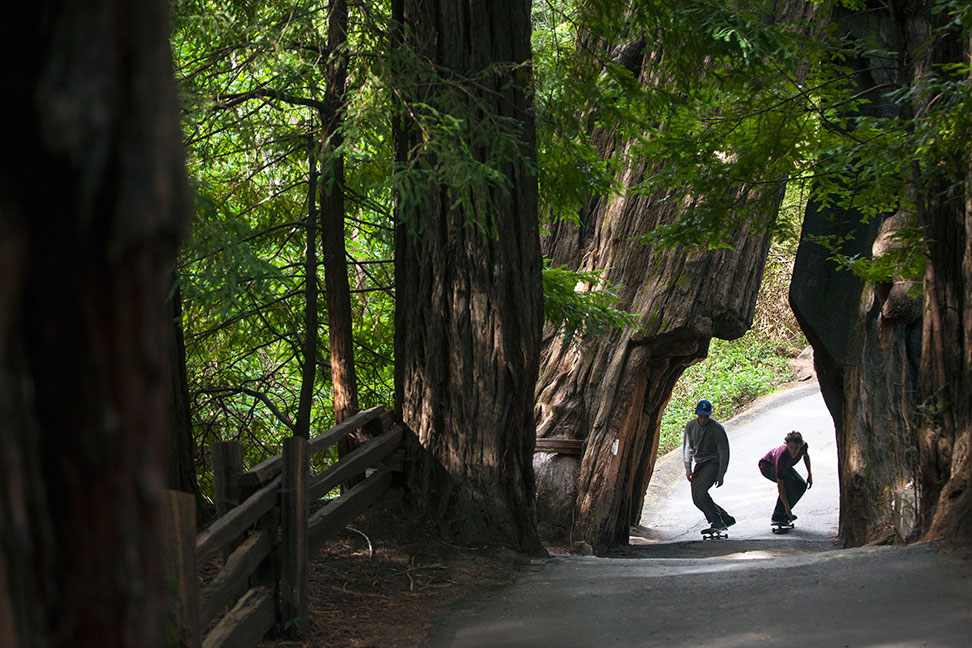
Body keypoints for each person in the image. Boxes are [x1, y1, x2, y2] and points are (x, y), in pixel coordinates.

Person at [683, 399, 735, 532]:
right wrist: (688, 468)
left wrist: (721, 473)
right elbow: (687, 448)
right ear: (697, 414)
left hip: (713, 462)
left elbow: (724, 452)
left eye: (706, 416)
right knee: (696, 498)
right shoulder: (691, 426)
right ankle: (725, 518)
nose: (703, 419)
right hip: (699, 463)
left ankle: (716, 521)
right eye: (701, 416)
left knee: (701, 492)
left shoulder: (716, 428)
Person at [759, 430, 813, 524]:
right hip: (768, 466)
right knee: (789, 482)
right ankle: (778, 514)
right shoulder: (782, 456)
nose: (793, 451)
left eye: (796, 448)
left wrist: (809, 474)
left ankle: (783, 513)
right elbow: (781, 485)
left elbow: (806, 456)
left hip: (786, 467)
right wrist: (787, 508)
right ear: (786, 444)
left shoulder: (803, 446)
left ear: (800, 445)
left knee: (802, 485)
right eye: (791, 447)